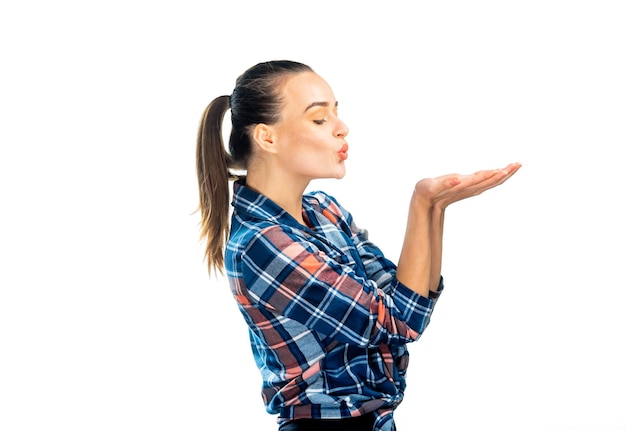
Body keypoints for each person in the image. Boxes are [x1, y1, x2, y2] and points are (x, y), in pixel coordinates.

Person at [195, 60, 521, 431]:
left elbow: (409, 303)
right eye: (319, 119)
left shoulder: (325, 212)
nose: (341, 128)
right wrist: (422, 204)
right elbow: (397, 321)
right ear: (267, 138)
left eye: (337, 113)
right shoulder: (259, 244)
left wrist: (436, 208)